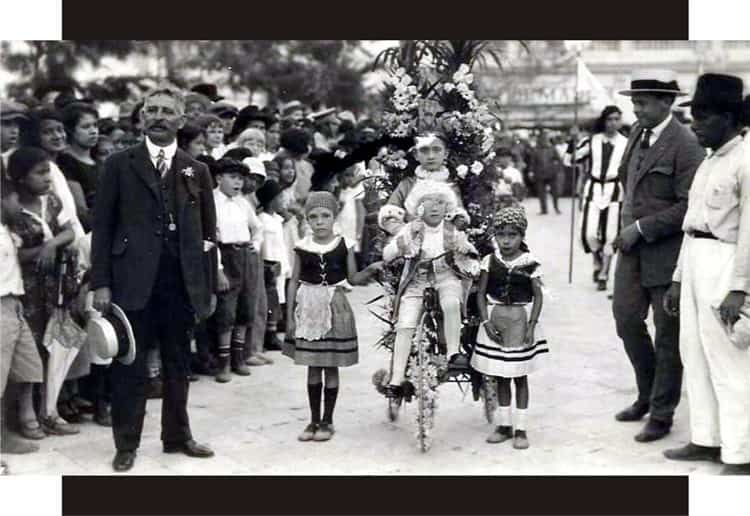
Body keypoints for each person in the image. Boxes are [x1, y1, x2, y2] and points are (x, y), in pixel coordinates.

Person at [90, 85, 218, 472]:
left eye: (166, 111)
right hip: (132, 282)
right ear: (142, 117)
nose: (158, 116)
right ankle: (126, 444)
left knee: (179, 363)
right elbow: (103, 227)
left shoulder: (197, 170)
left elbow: (209, 237)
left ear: (181, 119)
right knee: (130, 366)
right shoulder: (118, 164)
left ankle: (177, 436)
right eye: (152, 110)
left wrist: (207, 287)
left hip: (180, 283)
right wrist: (101, 283)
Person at [662, 74, 750, 475]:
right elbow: (691, 225)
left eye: (703, 117)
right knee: (693, 353)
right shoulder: (708, 161)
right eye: (693, 116)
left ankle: (740, 452)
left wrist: (739, 288)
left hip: (726, 262)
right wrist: (679, 278)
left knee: (729, 360)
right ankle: (705, 437)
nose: (694, 124)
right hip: (696, 259)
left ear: (730, 118)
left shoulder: (745, 162)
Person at [612, 70, 705, 443]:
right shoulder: (638, 133)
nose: (636, 110)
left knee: (667, 336)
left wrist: (642, 227)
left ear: (667, 103)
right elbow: (626, 181)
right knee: (625, 320)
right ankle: (646, 394)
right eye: (634, 102)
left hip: (667, 255)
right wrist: (624, 227)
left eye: (643, 103)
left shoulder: (687, 144)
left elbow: (689, 206)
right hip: (631, 251)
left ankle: (662, 413)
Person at [283, 192, 381, 442]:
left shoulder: (343, 245)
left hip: (335, 305)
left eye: (325, 216)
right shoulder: (302, 246)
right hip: (309, 306)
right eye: (313, 217)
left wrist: (370, 269)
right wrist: (291, 318)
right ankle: (313, 420)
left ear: (334, 217)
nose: (319, 221)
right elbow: (294, 280)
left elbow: (353, 278)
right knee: (313, 365)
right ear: (307, 220)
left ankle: (328, 420)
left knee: (331, 364)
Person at [381, 181, 479, 398]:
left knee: (451, 303)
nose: (435, 207)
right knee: (405, 324)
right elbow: (388, 255)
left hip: (446, 278)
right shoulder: (411, 229)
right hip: (418, 282)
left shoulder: (452, 230)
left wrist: (465, 250)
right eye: (429, 202)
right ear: (419, 207)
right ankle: (397, 377)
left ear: (447, 209)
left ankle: (453, 352)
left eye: (440, 203)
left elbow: (470, 253)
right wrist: (402, 243)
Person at [7, 147, 78, 437]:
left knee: (57, 346)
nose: (48, 178)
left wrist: (52, 244)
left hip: (57, 286)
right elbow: (14, 254)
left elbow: (71, 231)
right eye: (40, 173)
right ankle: (26, 414)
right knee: (30, 352)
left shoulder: (51, 201)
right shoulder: (12, 212)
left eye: (48, 171)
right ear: (21, 179)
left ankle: (50, 410)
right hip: (29, 291)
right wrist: (40, 250)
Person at [471, 206, 547, 449]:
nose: (506, 240)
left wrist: (532, 326)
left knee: (519, 376)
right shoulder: (489, 261)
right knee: (500, 375)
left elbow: (538, 296)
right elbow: (481, 294)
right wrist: (485, 322)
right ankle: (504, 425)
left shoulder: (530, 262)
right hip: (496, 321)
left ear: (522, 236)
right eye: (501, 235)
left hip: (520, 322)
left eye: (512, 235)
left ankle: (521, 429)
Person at [1, 178, 45, 467]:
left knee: (28, 366)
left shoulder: (7, 231)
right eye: (15, 199)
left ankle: (10, 425)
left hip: (14, 304)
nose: (20, 204)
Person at [566, 106, 629, 291]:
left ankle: (604, 274)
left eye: (617, 119)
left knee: (611, 234)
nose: (613, 123)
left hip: (615, 190)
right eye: (610, 119)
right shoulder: (592, 141)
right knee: (589, 233)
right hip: (593, 189)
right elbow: (570, 160)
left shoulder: (626, 143)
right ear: (604, 121)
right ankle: (596, 259)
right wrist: (573, 141)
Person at [212, 158, 261, 382]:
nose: (238, 183)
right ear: (219, 178)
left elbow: (257, 228)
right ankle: (223, 363)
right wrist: (219, 269)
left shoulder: (243, 203)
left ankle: (238, 358)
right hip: (226, 256)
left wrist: (255, 245)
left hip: (245, 256)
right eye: (233, 177)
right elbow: (209, 239)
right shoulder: (212, 202)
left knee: (246, 307)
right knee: (226, 311)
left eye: (241, 178)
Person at [378, 132, 466, 236]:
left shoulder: (451, 185)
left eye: (437, 150)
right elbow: (388, 215)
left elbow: (459, 218)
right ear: (416, 155)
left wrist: (446, 233)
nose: (431, 156)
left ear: (446, 154)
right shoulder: (407, 184)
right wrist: (406, 233)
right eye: (424, 150)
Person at [255, 180, 289, 351]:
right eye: (279, 197)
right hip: (270, 265)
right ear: (271, 200)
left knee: (277, 301)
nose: (282, 200)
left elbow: (281, 244)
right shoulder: (262, 220)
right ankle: (269, 335)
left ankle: (273, 332)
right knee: (270, 301)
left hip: (280, 264)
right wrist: (267, 263)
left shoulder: (277, 219)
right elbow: (264, 245)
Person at [336, 165, 366, 266]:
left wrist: (359, 231)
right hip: (339, 222)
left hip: (352, 224)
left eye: (352, 176)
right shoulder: (338, 189)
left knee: (351, 247)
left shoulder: (356, 191)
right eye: (346, 175)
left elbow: (360, 212)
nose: (349, 179)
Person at [528, 130, 563, 215]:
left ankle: (556, 208)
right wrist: (531, 171)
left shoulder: (552, 148)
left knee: (555, 192)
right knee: (541, 193)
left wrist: (556, 167)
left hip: (551, 173)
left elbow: (558, 159)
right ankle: (544, 209)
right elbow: (532, 162)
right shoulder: (536, 150)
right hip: (539, 173)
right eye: (542, 138)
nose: (544, 140)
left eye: (545, 138)